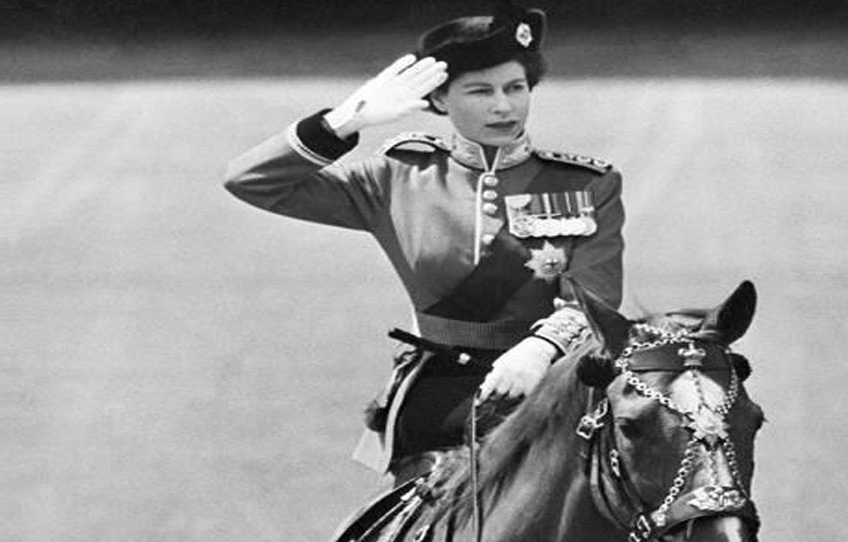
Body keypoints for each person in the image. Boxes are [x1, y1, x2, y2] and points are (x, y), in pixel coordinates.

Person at [223, 1, 624, 485]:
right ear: (439, 101)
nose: (504, 106)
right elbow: (251, 181)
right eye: (480, 91)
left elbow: (596, 297)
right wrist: (344, 122)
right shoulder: (397, 177)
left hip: (552, 388)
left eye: (516, 88)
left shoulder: (586, 183)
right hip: (437, 398)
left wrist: (540, 348)